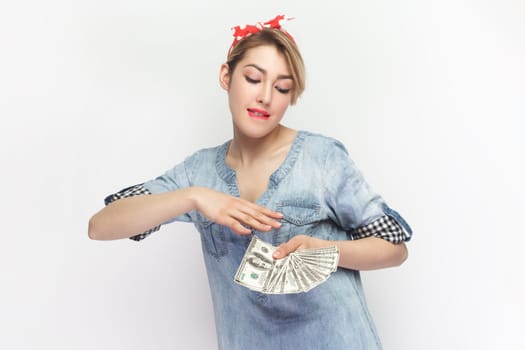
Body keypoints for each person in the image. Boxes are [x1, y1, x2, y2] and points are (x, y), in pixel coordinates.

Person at [88, 15, 412, 350]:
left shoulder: (323, 158)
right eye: (254, 78)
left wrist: (326, 251)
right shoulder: (197, 172)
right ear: (226, 77)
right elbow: (101, 226)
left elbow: (394, 249)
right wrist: (195, 197)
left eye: (282, 88)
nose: (266, 97)